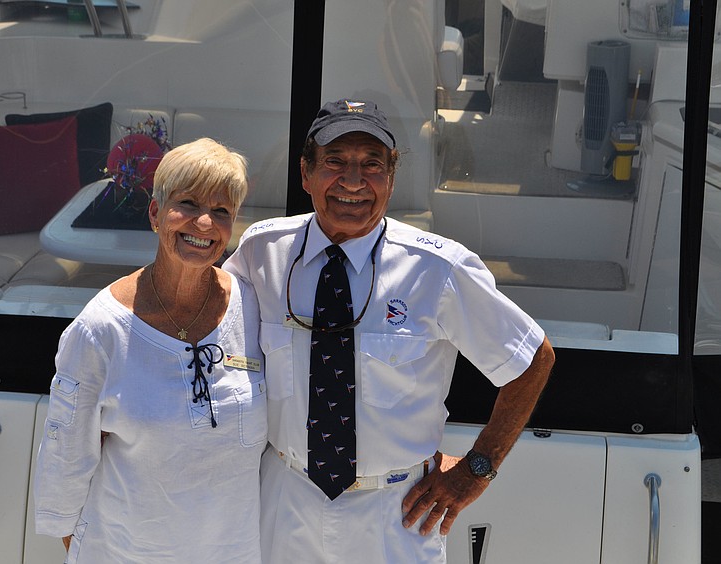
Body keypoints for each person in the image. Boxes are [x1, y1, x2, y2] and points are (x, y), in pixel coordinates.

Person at [223, 99, 555, 563]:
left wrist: (478, 469)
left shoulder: (439, 268)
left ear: (392, 179)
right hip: (285, 499)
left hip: (396, 512)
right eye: (335, 162)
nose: (354, 182)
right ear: (306, 174)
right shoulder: (263, 251)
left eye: (372, 166)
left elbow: (531, 358)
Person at [34, 137, 267, 563]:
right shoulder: (100, 329)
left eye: (220, 211)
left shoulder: (253, 308)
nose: (203, 224)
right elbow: (66, 456)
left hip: (237, 552)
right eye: (188, 204)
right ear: (156, 213)